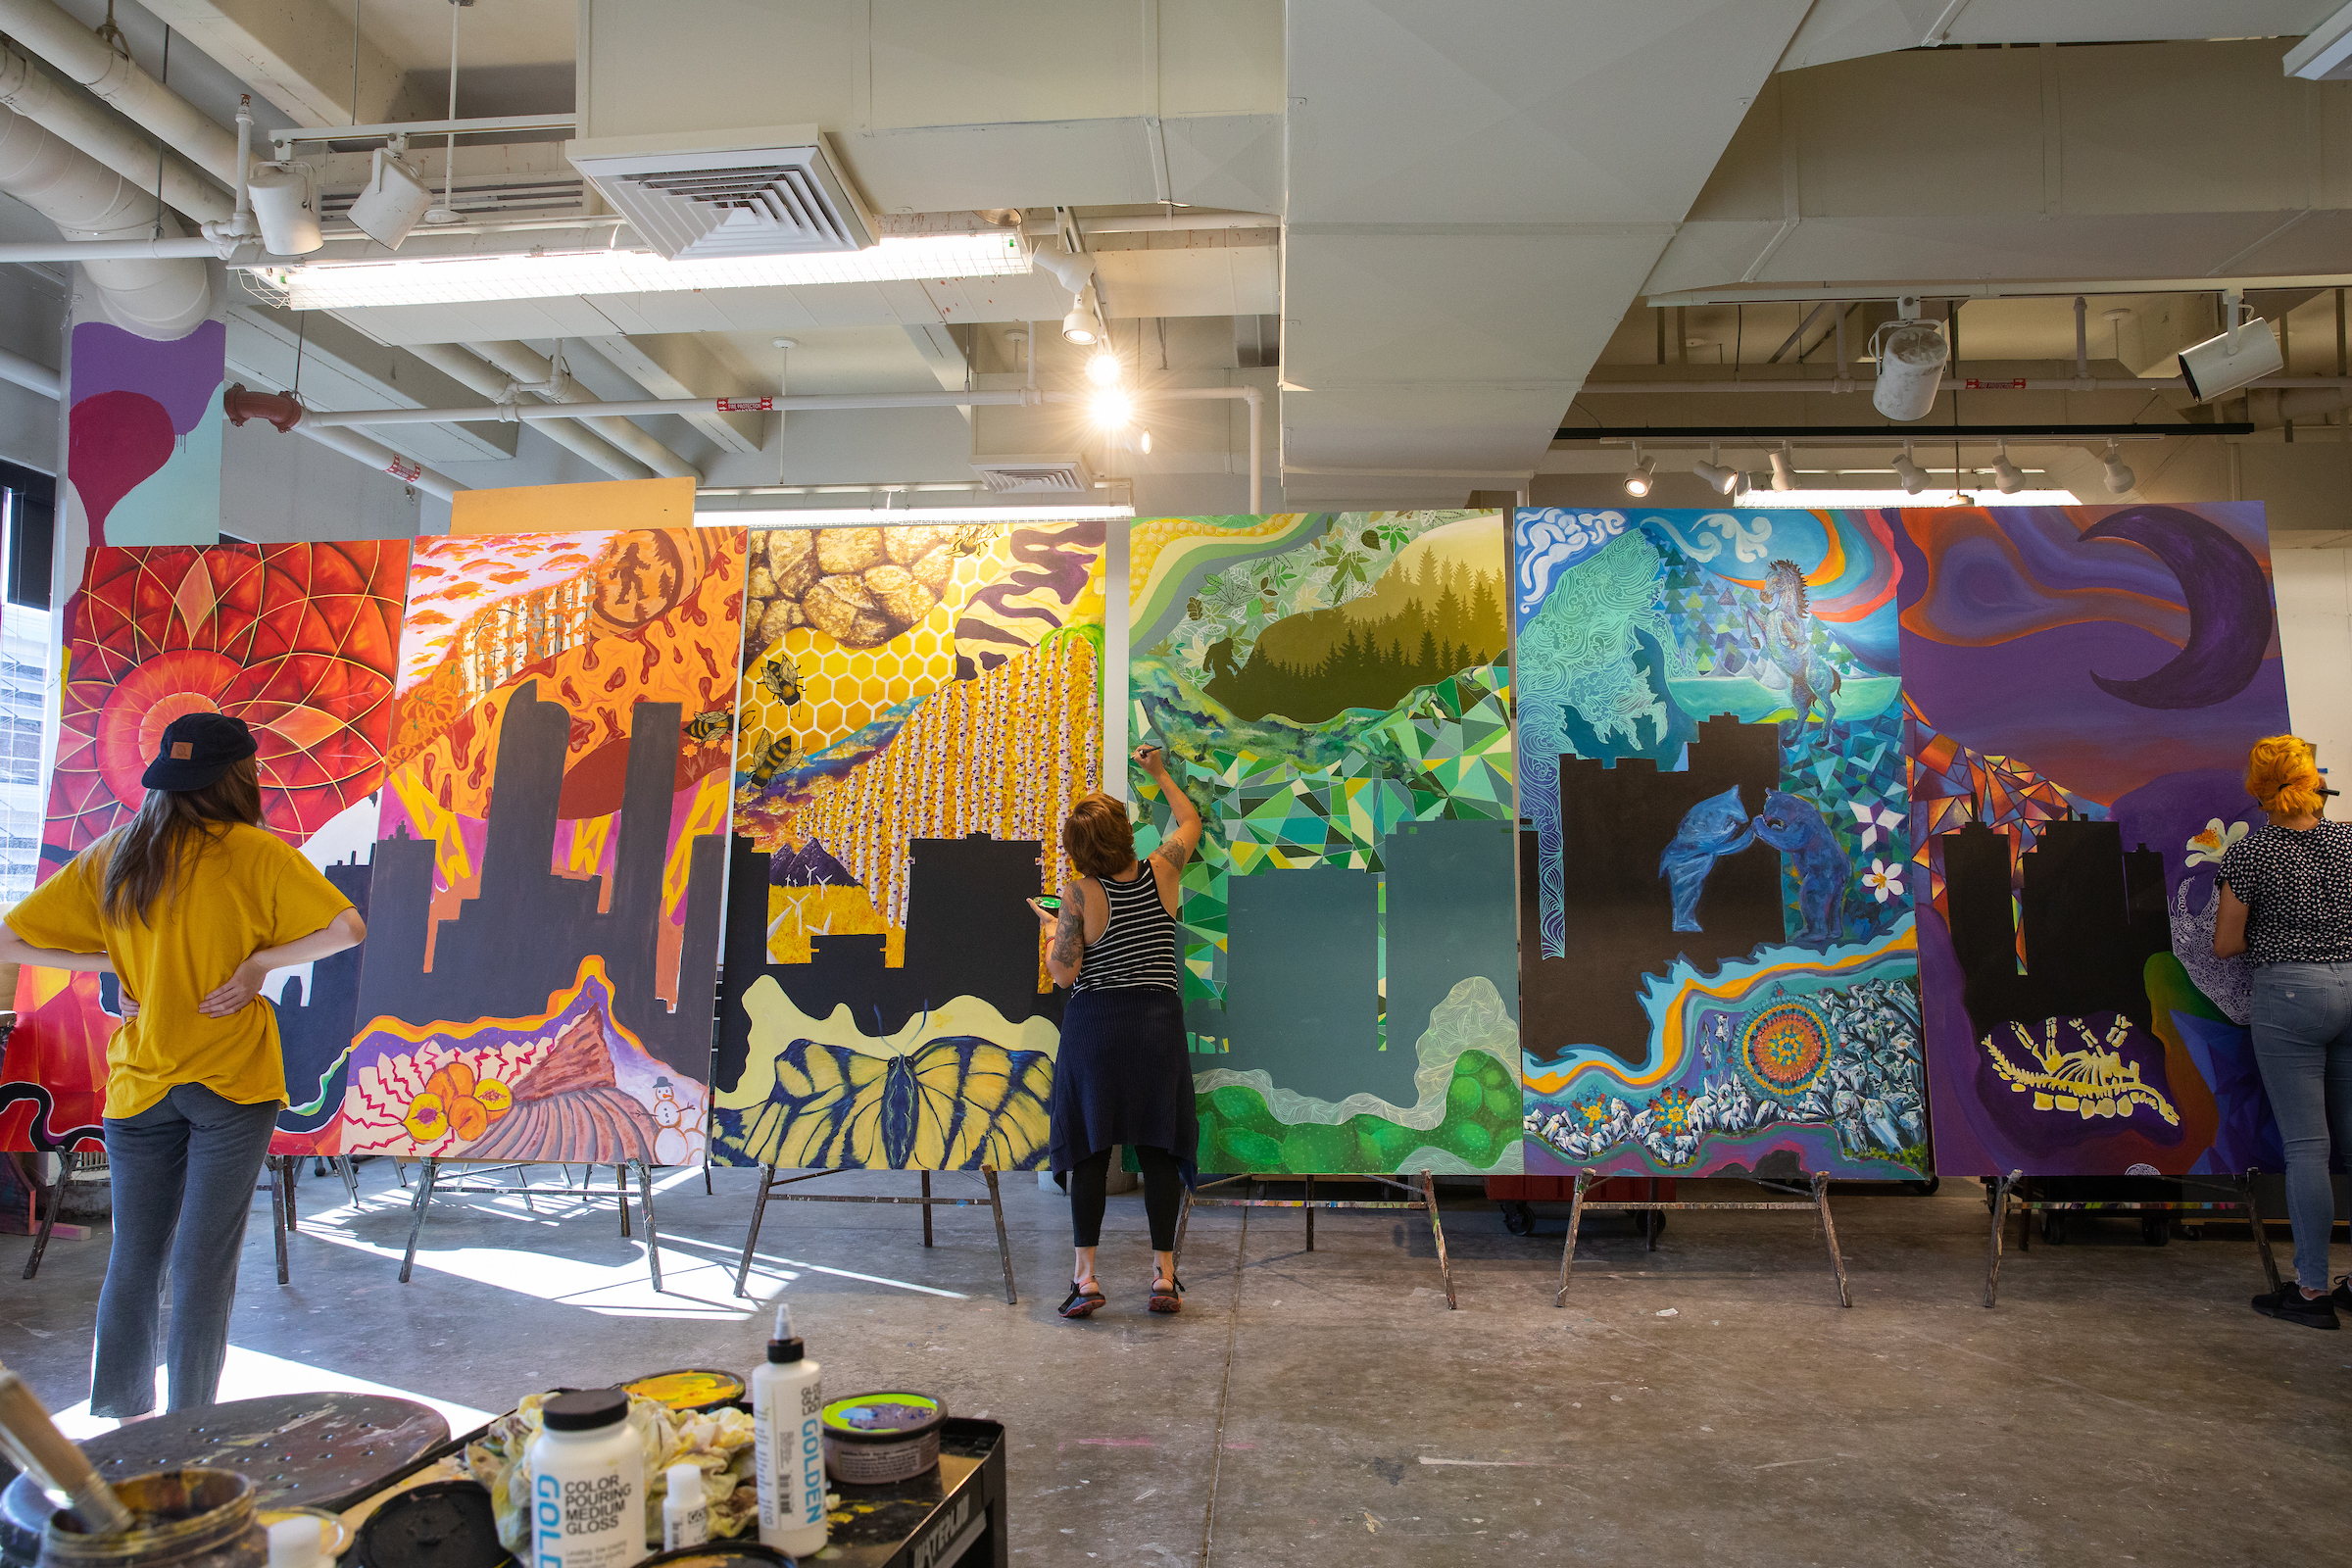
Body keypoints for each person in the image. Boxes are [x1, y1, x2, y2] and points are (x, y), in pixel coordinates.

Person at [0, 714, 367, 1414]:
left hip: (140, 1082)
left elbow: (10, 940)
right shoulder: (258, 854)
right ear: (239, 777)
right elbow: (346, 928)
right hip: (232, 1080)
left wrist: (116, 960)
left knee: (134, 1256)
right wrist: (259, 964)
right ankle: (190, 1425)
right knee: (204, 1263)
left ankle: (120, 1417)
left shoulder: (118, 854)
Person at [1029, 744, 1202, 1320]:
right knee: (1157, 1147)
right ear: (1125, 834)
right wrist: (1158, 773)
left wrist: (1053, 926)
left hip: (1096, 1029)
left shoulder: (1078, 895)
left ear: (1079, 851)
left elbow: (1063, 973)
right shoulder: (1164, 870)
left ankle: (1087, 1279)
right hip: (1156, 1027)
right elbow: (1189, 821)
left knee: (1088, 1152)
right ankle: (1164, 1277)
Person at [2214, 733, 2352, 1331]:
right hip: (2351, 985)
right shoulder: (2347, 841)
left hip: (2291, 996)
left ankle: (2314, 1292)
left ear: (2262, 790)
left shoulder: (2253, 853)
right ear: (2313, 783)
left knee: (2307, 1148)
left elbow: (2225, 943)